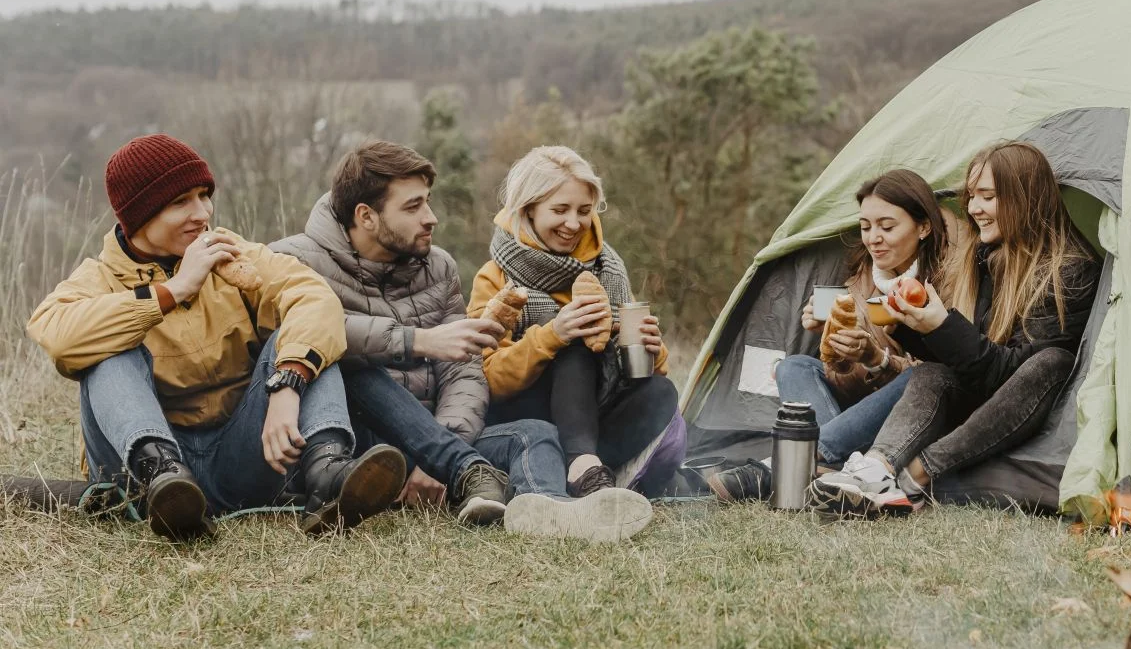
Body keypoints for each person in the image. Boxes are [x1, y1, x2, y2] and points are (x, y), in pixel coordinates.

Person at [27, 134, 405, 541]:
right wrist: (173, 292)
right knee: (105, 350)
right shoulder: (97, 278)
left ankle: (328, 474)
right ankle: (165, 478)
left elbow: (315, 298)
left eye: (204, 195)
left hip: (240, 456)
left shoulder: (232, 252)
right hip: (140, 477)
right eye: (180, 202)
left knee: (306, 341)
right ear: (138, 215)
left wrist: (288, 383)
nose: (202, 212)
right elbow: (59, 334)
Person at [273, 140, 652, 540]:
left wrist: (441, 448)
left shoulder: (437, 267)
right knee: (349, 362)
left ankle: (552, 509)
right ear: (366, 216)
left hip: (443, 437)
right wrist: (420, 341)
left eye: (428, 202)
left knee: (537, 433)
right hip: (360, 443)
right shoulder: (295, 262)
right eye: (413, 206)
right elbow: (303, 334)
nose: (431, 218)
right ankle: (458, 471)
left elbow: (465, 369)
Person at [810, 141, 1101, 518]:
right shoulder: (986, 257)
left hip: (1026, 409)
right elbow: (968, 367)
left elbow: (1012, 375)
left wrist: (942, 325)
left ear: (1025, 198)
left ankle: (916, 474)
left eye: (988, 197)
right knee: (931, 372)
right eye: (972, 196)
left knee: (1053, 361)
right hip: (978, 397)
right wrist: (914, 326)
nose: (974, 208)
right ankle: (878, 470)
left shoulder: (1070, 271)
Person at [708, 169, 949, 502]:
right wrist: (836, 346)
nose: (873, 238)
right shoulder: (859, 284)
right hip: (858, 419)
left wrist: (877, 359)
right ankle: (831, 467)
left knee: (919, 377)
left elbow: (940, 379)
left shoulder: (950, 276)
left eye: (887, 227)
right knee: (793, 366)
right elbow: (847, 381)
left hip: (910, 419)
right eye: (865, 227)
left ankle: (779, 468)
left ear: (923, 227)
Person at [469, 146, 681, 498]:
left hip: (592, 416)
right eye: (560, 210)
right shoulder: (495, 278)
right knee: (575, 345)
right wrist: (552, 335)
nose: (573, 224)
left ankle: (588, 472)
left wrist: (653, 351)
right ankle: (582, 465)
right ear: (529, 209)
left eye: (584, 211)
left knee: (661, 393)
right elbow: (486, 378)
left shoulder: (608, 269)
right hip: (527, 417)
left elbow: (641, 375)